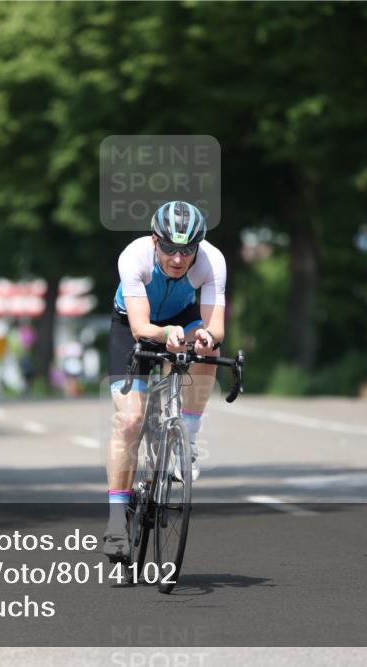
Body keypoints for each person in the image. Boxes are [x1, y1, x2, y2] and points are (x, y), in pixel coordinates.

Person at [103, 200, 226, 559]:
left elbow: (214, 325)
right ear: (155, 241)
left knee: (209, 350)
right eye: (170, 248)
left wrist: (205, 338)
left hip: (183, 317)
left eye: (187, 249)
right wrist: (167, 333)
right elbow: (142, 328)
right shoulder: (134, 256)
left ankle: (186, 434)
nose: (178, 258)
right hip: (132, 323)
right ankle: (115, 521)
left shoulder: (212, 261)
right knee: (129, 420)